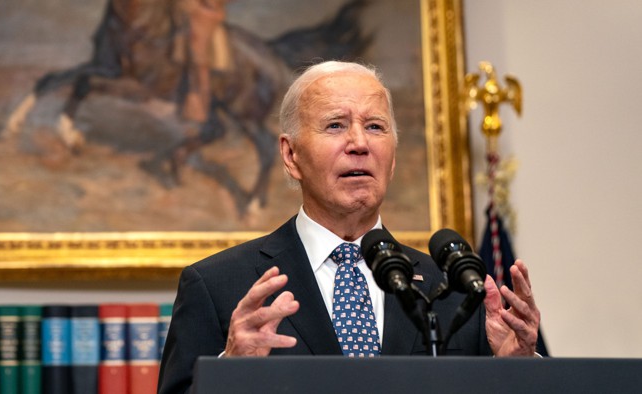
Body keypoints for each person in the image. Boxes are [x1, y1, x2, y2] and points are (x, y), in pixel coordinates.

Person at [157, 61, 541, 394]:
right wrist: (229, 374)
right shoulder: (218, 286)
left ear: (391, 160)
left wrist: (516, 371)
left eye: (375, 127)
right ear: (291, 156)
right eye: (335, 125)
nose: (359, 143)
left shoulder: (456, 290)